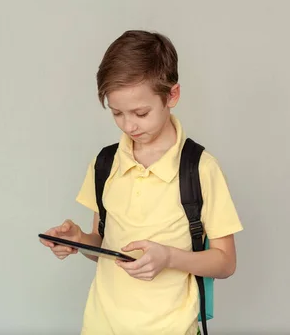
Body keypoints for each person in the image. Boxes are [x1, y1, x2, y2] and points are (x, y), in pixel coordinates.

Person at [39, 30, 243, 335]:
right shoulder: (106, 163)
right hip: (101, 325)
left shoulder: (200, 168)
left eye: (141, 112)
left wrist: (170, 257)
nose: (129, 125)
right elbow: (102, 246)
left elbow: (225, 262)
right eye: (117, 113)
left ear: (172, 96)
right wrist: (79, 240)